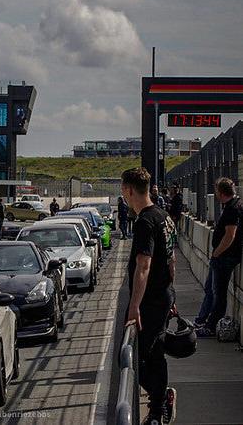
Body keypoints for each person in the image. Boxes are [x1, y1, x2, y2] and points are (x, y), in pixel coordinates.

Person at [121, 168, 177, 425]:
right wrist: (171, 294)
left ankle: (159, 400)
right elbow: (171, 260)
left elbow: (143, 266)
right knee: (156, 353)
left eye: (122, 190)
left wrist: (134, 306)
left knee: (137, 357)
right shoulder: (164, 216)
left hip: (150, 301)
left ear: (129, 190)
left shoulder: (145, 222)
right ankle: (157, 406)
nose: (122, 195)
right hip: (163, 295)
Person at [195, 178, 242, 337]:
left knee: (218, 294)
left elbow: (230, 236)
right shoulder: (234, 205)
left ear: (220, 193)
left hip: (224, 257)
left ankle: (210, 326)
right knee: (211, 290)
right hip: (223, 257)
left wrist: (217, 253)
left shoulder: (232, 209)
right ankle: (202, 320)